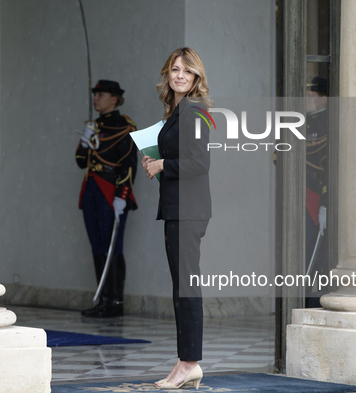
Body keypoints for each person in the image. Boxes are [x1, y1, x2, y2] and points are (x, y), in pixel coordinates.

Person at [142, 47, 212, 389]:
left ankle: (190, 363)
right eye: (174, 69)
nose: (179, 75)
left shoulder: (195, 111)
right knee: (181, 287)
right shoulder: (178, 111)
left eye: (186, 70)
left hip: (188, 210)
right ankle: (185, 361)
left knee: (186, 288)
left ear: (196, 77)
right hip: (178, 208)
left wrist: (162, 165)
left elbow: (200, 164)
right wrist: (156, 161)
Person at [75, 80, 138, 318]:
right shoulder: (93, 126)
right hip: (91, 190)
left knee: (113, 248)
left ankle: (115, 302)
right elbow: (81, 162)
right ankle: (103, 299)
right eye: (95, 94)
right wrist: (84, 139)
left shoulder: (126, 126)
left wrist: (122, 196)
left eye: (100, 94)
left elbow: (129, 165)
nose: (96, 98)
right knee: (98, 247)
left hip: (111, 191)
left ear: (114, 98)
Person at [305, 76, 329, 308]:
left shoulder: (327, 125)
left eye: (312, 96)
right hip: (300, 196)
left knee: (316, 257)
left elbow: (329, 168)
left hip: (315, 197)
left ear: (324, 100)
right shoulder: (300, 123)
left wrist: (325, 203)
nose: (307, 99)